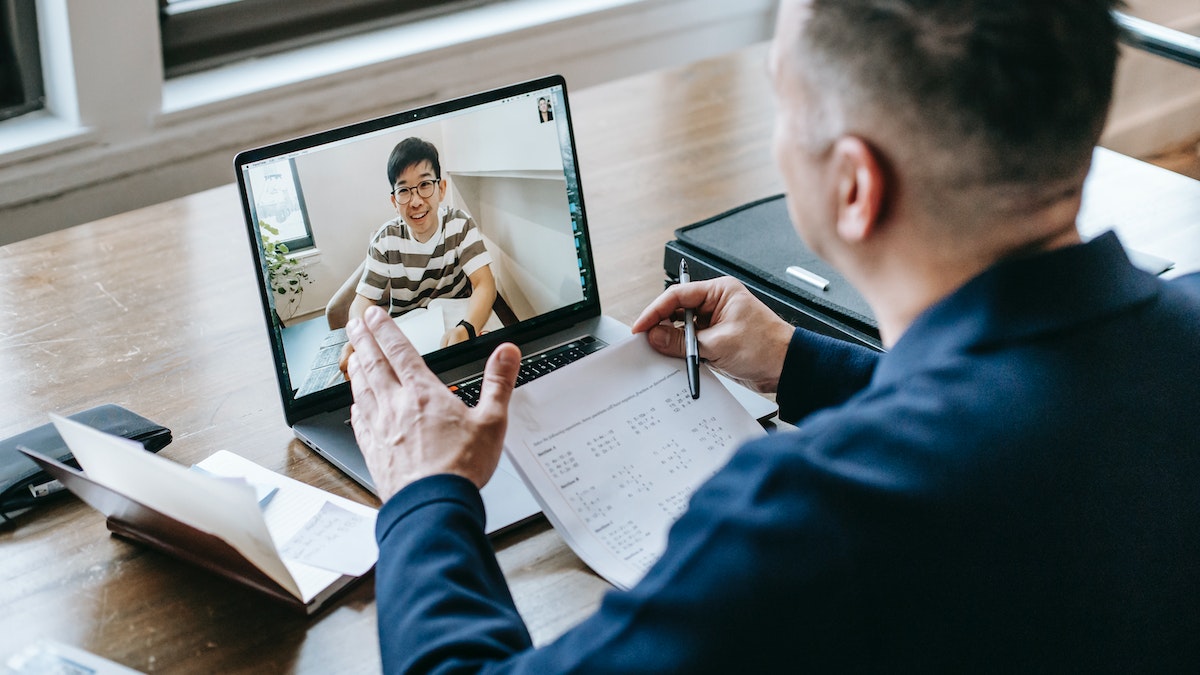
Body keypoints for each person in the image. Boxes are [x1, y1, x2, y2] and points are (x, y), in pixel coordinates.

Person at [344, 0, 1200, 671]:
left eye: (782, 97)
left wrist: (425, 490)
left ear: (854, 186)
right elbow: (1038, 407)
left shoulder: (813, 520)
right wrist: (799, 363)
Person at [339, 137, 496, 372]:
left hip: (458, 331)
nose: (415, 201)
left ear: (441, 189)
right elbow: (363, 300)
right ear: (394, 200)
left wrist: (467, 328)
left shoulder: (460, 224)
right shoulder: (385, 240)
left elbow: (485, 284)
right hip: (408, 344)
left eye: (425, 185)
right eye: (404, 190)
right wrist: (359, 336)